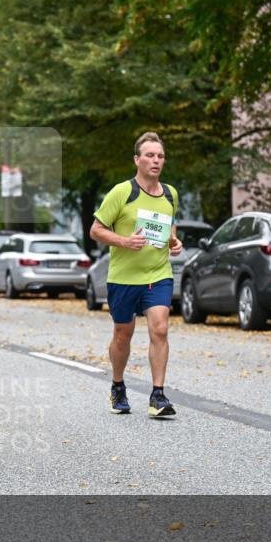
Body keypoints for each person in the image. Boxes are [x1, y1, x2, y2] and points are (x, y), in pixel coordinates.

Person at [89, 131, 184, 418]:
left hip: (158, 273)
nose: (156, 160)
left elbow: (169, 226)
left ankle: (158, 395)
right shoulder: (122, 192)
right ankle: (118, 385)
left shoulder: (170, 194)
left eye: (160, 156)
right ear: (137, 160)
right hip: (123, 277)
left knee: (160, 328)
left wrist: (174, 241)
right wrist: (124, 241)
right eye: (150, 155)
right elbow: (96, 230)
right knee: (123, 334)